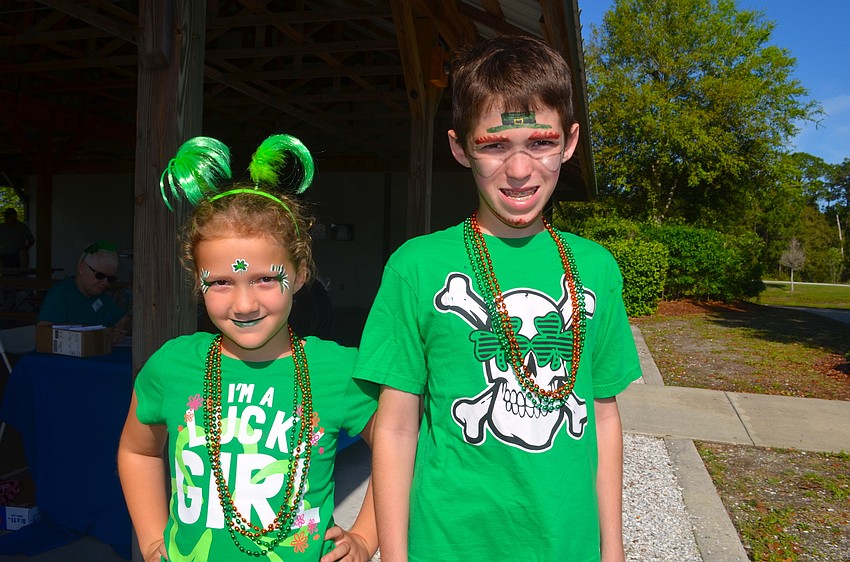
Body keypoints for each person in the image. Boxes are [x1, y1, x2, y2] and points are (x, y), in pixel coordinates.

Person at [354, 35, 642, 562]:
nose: (518, 169)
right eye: (493, 145)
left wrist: (613, 551)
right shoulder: (416, 267)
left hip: (566, 543)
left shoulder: (597, 268)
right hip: (448, 542)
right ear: (460, 147)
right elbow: (395, 429)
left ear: (570, 142)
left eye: (540, 142)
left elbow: (603, 417)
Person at [117, 134, 379, 562]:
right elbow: (138, 449)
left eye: (264, 279)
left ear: (299, 275)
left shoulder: (338, 370)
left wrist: (366, 536)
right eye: (220, 282)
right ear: (197, 282)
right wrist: (150, 538)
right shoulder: (172, 365)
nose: (244, 304)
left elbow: (402, 447)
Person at [37, 241, 129, 342]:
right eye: (100, 276)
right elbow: (44, 335)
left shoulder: (99, 295)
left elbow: (122, 321)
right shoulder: (60, 294)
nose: (105, 282)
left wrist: (122, 330)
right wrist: (104, 337)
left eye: (110, 278)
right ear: (82, 268)